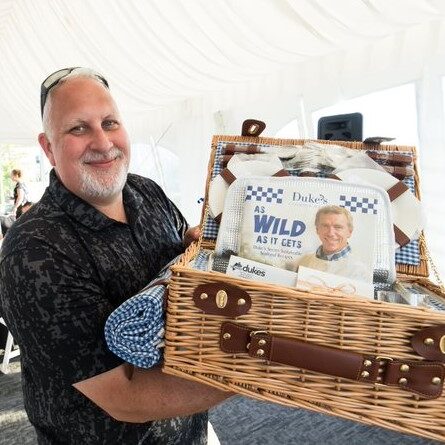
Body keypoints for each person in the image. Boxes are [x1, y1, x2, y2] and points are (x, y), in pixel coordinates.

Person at [0, 67, 231, 444]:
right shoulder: (34, 251)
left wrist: (202, 247)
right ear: (47, 147)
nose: (103, 142)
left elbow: (183, 265)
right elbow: (126, 395)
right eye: (78, 128)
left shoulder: (146, 192)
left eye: (110, 122)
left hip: (191, 430)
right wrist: (265, 372)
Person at [297, 205, 371, 282]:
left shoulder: (359, 271)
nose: (330, 233)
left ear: (349, 232)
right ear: (317, 230)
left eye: (338, 227)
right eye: (325, 226)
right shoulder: (304, 261)